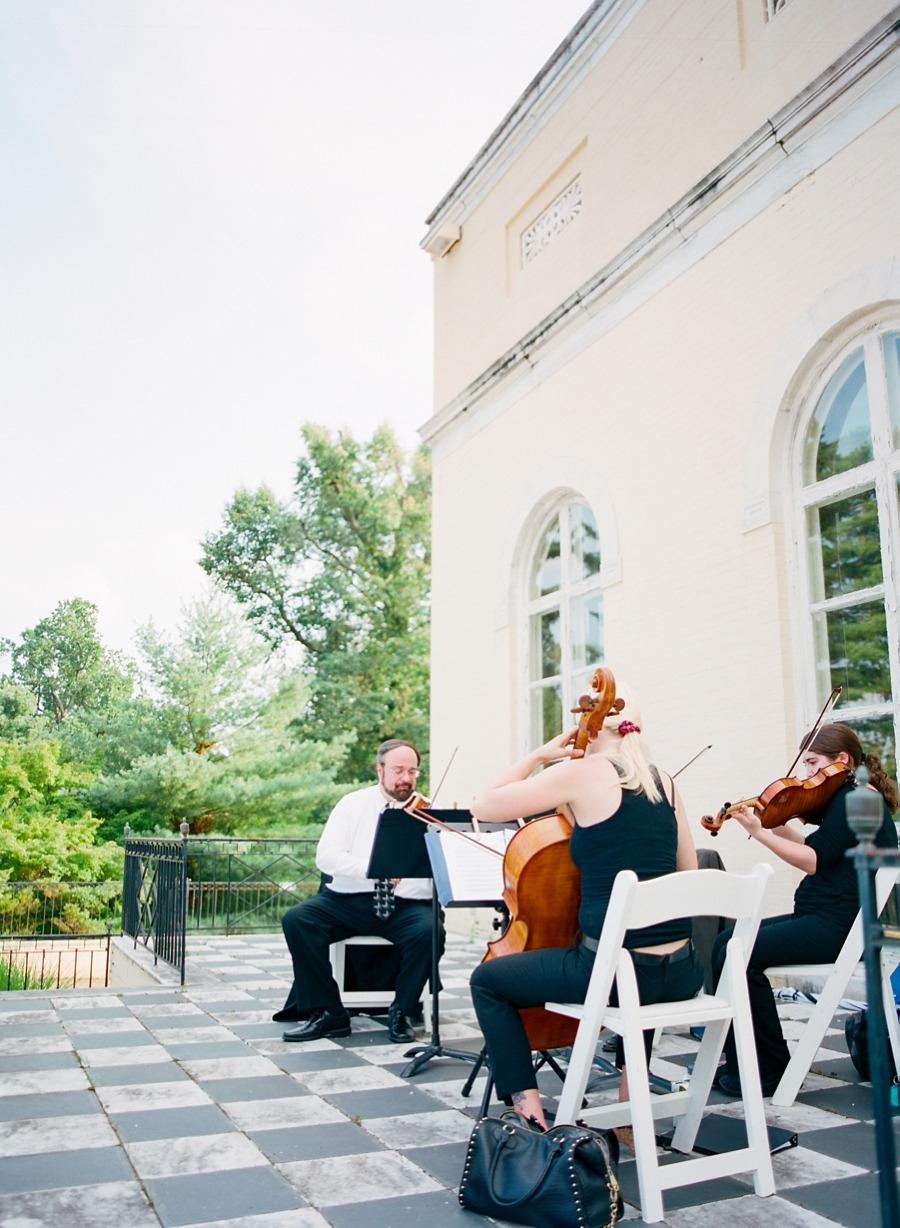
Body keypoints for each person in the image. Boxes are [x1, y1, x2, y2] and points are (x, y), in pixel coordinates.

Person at [468, 685, 703, 1130]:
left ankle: (528, 1110)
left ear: (589, 722)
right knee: (640, 958)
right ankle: (628, 1110)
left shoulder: (584, 774)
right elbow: (687, 870)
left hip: (615, 976)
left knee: (488, 981)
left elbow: (484, 805)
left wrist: (540, 756)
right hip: (680, 974)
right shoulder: (665, 780)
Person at [711, 722, 899, 1098]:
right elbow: (820, 849)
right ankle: (747, 1060)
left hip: (840, 928)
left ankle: (767, 1068)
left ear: (841, 760)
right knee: (727, 942)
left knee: (738, 954)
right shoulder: (850, 798)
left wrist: (762, 834)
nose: (806, 775)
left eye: (812, 764)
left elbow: (812, 860)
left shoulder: (857, 798)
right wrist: (774, 821)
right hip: (824, 919)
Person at [275, 738, 444, 1044]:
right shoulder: (351, 804)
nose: (406, 778)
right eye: (398, 770)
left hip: (407, 906)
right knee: (298, 920)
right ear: (380, 770)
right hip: (350, 901)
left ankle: (402, 1011)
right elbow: (326, 857)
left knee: (430, 929)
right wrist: (372, 868)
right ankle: (329, 1012)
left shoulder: (428, 811)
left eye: (413, 771)